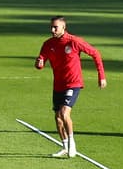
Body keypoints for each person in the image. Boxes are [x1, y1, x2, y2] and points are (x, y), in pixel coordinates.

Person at [35, 16, 106, 158]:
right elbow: (40, 61)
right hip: (58, 84)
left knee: (64, 113)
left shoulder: (74, 41)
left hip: (73, 83)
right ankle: (65, 146)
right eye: (51, 27)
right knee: (57, 117)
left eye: (55, 27)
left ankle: (72, 143)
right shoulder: (48, 44)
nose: (52, 29)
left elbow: (95, 53)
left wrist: (101, 76)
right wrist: (39, 64)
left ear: (63, 27)